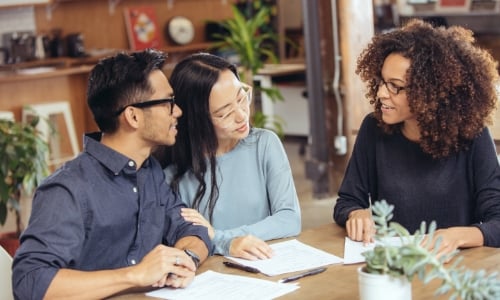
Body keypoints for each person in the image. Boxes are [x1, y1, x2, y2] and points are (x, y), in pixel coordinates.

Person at [12, 49, 211, 299]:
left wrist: (185, 260)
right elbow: (30, 281)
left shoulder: (149, 171)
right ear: (133, 116)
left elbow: (192, 229)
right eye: (168, 103)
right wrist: (134, 275)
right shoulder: (67, 189)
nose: (178, 111)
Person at [333, 19, 500, 257]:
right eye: (382, 82)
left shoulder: (473, 136)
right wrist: (356, 213)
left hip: (455, 272)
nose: (381, 93)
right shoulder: (373, 128)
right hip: (394, 265)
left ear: (429, 92)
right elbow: (347, 200)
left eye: (395, 86)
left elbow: (497, 221)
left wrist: (457, 235)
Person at [155, 53, 301, 260]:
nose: (242, 115)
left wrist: (223, 238)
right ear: (196, 119)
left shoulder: (264, 144)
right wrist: (226, 244)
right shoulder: (171, 173)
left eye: (242, 98)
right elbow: (183, 241)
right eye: (224, 113)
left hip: (266, 262)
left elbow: (289, 219)